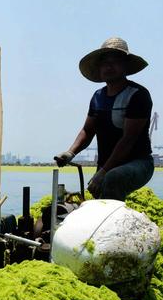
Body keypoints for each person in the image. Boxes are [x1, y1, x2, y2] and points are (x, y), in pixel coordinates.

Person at [54, 38, 154, 200]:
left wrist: (103, 172)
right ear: (99, 68)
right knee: (99, 198)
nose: (109, 66)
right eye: (105, 62)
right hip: (107, 165)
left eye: (115, 61)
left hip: (138, 163)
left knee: (113, 179)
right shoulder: (98, 97)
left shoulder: (137, 95)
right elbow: (88, 130)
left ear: (125, 65)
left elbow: (128, 139)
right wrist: (70, 152)